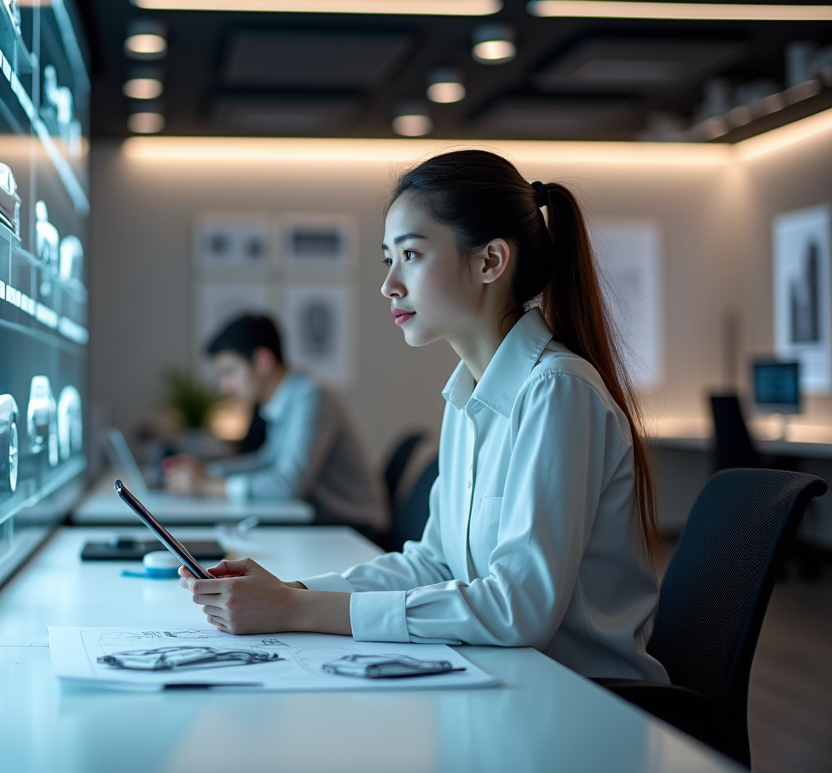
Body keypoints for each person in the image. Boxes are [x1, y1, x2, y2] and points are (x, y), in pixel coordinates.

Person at [178, 150, 668, 682]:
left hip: (589, 705)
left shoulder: (557, 391)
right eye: (387, 259)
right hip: (510, 681)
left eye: (410, 255)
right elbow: (434, 564)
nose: (389, 283)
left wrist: (299, 611)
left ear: (489, 262)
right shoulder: (466, 396)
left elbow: (518, 609)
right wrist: (293, 593)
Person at [163, 314, 389, 536]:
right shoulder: (283, 400)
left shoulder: (311, 397)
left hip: (355, 530)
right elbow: (267, 462)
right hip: (325, 524)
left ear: (262, 361)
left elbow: (287, 484)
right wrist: (210, 471)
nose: (225, 386)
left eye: (229, 371)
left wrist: (207, 486)